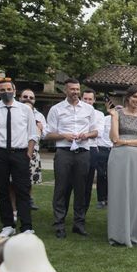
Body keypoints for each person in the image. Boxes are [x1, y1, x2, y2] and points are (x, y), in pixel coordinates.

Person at [44, 78, 98, 238]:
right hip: (64, 152)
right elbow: (48, 134)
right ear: (65, 90)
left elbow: (95, 131)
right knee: (61, 189)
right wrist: (63, 135)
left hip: (83, 152)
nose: (75, 92)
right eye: (72, 89)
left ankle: (79, 224)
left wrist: (86, 134)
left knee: (81, 190)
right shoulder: (56, 109)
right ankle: (59, 224)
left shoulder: (89, 109)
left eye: (77, 89)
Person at [106, 86, 137, 247]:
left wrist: (126, 142)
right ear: (127, 97)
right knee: (118, 193)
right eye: (134, 97)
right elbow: (114, 138)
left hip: (136, 157)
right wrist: (113, 118)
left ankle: (136, 232)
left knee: (135, 194)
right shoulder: (117, 114)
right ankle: (118, 234)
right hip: (118, 157)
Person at [0, 78, 38, 238]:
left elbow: (32, 133)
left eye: (8, 89)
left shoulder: (25, 110)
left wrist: (28, 153)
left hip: (20, 153)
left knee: (23, 190)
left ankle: (26, 226)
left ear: (14, 91)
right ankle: (8, 225)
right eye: (2, 90)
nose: (6, 92)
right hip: (0, 153)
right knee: (2, 190)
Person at [18, 89, 45, 210]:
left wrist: (41, 128)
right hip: (16, 149)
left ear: (34, 100)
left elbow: (44, 134)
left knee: (29, 179)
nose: (28, 98)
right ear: (20, 98)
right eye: (25, 96)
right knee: (12, 179)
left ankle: (28, 200)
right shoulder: (14, 112)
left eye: (31, 97)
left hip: (33, 151)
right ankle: (10, 202)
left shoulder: (39, 116)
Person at [81, 89, 106, 213]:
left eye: (90, 99)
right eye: (85, 98)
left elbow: (99, 133)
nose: (87, 101)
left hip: (91, 149)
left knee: (87, 184)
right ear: (81, 98)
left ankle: (82, 213)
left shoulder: (99, 115)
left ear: (94, 100)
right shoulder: (74, 112)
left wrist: (84, 135)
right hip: (73, 148)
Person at [94, 108, 113, 209]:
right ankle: (101, 199)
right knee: (101, 175)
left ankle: (111, 199)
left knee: (113, 176)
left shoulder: (121, 121)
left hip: (115, 149)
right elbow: (99, 133)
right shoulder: (105, 119)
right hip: (103, 149)